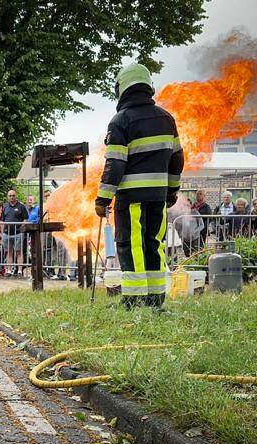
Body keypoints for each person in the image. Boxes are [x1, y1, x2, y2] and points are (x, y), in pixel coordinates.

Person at [94, 63, 183, 309]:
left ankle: (132, 301)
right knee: (154, 244)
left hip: (131, 198)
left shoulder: (121, 121)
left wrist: (102, 199)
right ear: (147, 86)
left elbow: (115, 163)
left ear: (122, 88)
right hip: (157, 198)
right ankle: (156, 300)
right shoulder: (167, 118)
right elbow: (177, 158)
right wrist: (171, 191)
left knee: (131, 245)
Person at [0, 189, 29, 277]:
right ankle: (9, 270)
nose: (12, 197)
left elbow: (25, 219)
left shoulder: (21, 206)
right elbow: (2, 221)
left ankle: (20, 271)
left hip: (18, 233)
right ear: (7, 197)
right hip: (7, 234)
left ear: (16, 196)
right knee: (8, 252)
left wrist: (21, 229)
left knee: (19, 252)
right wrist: (2, 233)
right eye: (10, 196)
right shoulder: (5, 207)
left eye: (13, 195)